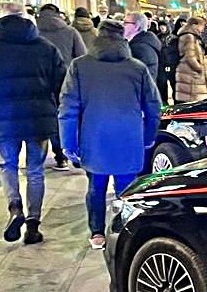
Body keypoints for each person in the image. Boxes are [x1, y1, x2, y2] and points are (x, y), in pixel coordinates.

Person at [59, 20, 161, 249]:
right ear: (123, 38)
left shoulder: (79, 66)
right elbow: (153, 106)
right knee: (127, 187)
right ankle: (126, 229)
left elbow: (68, 108)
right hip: (129, 136)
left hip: (94, 137)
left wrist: (68, 142)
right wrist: (149, 136)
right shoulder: (137, 68)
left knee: (96, 186)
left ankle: (97, 232)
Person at [0, 2, 67, 244]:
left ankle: (14, 207)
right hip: (39, 118)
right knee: (35, 171)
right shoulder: (45, 47)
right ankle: (33, 224)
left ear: (0, 19)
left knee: (7, 165)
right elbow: (61, 84)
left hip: (4, 117)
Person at [34, 3, 84, 170]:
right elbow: (82, 56)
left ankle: (56, 156)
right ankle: (70, 153)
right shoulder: (70, 32)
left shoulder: (33, 33)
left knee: (45, 117)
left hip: (40, 82)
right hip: (65, 80)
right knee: (66, 115)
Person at [174, 16, 207, 103]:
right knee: (193, 101)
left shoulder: (189, 35)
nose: (203, 29)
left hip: (186, 71)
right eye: (202, 25)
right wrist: (199, 68)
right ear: (194, 25)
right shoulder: (190, 37)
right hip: (190, 73)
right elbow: (190, 56)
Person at [124, 12, 163, 89]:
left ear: (136, 26)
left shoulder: (139, 47)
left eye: (126, 23)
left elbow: (137, 76)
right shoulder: (143, 42)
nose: (122, 26)